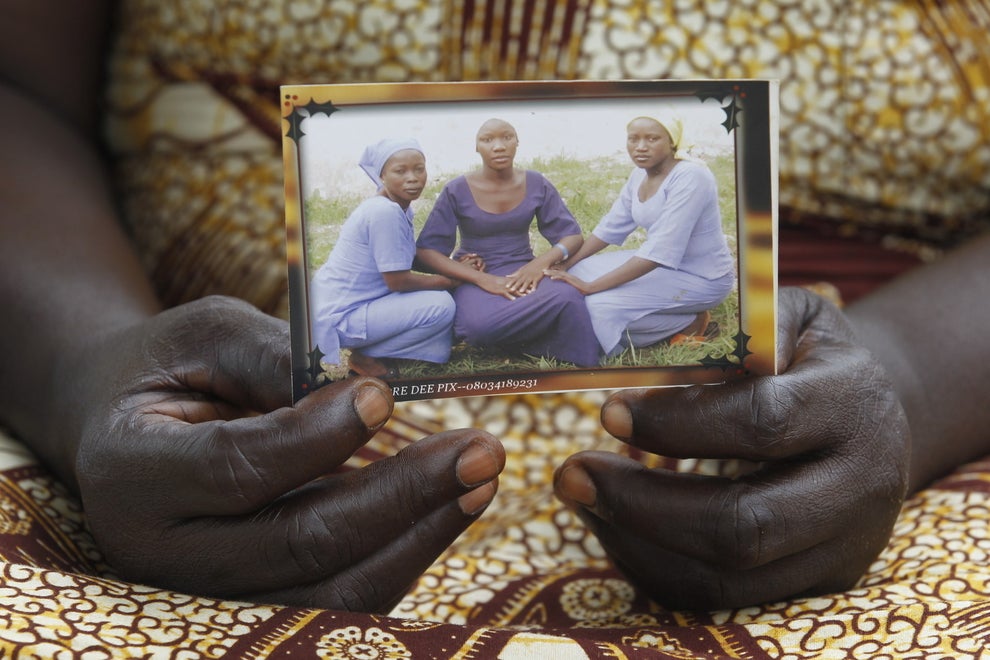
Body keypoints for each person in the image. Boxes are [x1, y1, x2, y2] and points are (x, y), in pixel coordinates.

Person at [1, 2, 989, 656]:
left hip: (898, 418)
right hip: (169, 398)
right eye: (493, 141)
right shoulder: (450, 195)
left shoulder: (583, 183)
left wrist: (906, 376)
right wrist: (75, 371)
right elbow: (436, 258)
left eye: (511, 141)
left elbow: (575, 236)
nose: (504, 148)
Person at [415, 118, 601, 367]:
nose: (499, 146)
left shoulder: (537, 183)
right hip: (475, 275)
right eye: (487, 139)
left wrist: (540, 263)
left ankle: (522, 343)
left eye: (507, 137)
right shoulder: (456, 190)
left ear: (517, 143)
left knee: (567, 298)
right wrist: (482, 278)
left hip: (524, 269)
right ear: (476, 147)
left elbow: (572, 235)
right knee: (477, 327)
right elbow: (427, 251)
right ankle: (530, 338)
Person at [548, 116, 735, 356]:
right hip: (661, 267)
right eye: (633, 139)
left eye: (652, 138)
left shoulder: (692, 177)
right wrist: (567, 264)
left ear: (672, 142)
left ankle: (687, 322)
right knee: (576, 272)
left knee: (596, 307)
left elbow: (659, 252)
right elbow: (611, 227)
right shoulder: (640, 175)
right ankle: (664, 312)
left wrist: (590, 287)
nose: (641, 147)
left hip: (702, 278)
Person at [309, 138, 456, 378]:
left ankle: (371, 350)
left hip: (342, 306)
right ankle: (365, 356)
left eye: (419, 169)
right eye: (400, 171)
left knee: (439, 297)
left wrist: (456, 268)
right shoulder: (383, 212)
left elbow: (404, 255)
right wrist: (450, 281)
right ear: (382, 176)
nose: (413, 177)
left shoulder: (398, 206)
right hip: (340, 315)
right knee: (441, 305)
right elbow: (398, 281)